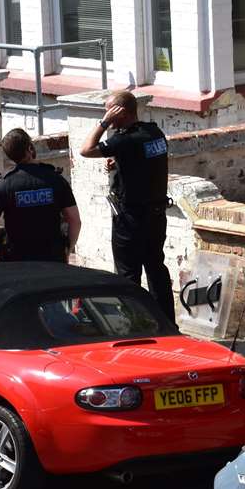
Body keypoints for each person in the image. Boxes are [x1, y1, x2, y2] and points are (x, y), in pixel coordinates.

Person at [78, 89, 175, 326]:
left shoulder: (125, 139)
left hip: (131, 218)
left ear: (119, 112)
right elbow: (143, 161)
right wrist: (119, 163)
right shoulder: (154, 133)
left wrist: (103, 123)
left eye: (109, 111)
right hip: (156, 215)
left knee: (128, 275)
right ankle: (166, 323)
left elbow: (85, 149)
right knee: (156, 268)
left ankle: (135, 325)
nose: (107, 115)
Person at [0, 127, 80, 262]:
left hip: (16, 260)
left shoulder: (2, 185)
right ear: (30, 148)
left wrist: (3, 233)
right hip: (52, 259)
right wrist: (67, 250)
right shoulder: (56, 180)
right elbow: (75, 221)